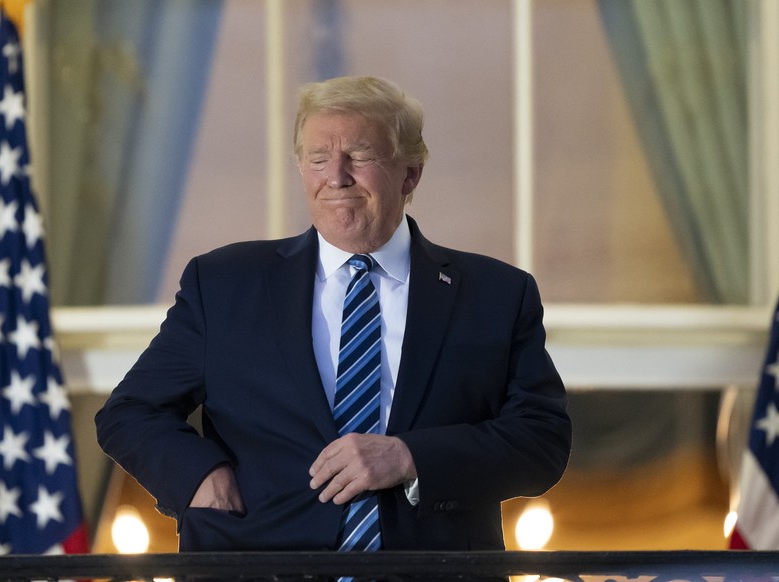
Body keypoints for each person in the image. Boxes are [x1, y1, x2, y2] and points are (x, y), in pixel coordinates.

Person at [95, 75, 571, 556]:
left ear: (410, 173)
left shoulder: (495, 294)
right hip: (257, 565)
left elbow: (542, 438)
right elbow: (130, 412)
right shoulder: (222, 284)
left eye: (360, 156)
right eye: (318, 159)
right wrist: (200, 478)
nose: (336, 177)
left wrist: (410, 458)